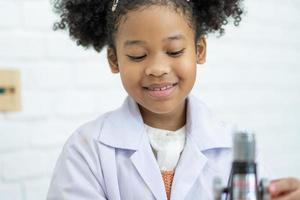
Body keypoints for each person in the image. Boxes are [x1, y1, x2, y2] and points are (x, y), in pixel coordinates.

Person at [47, 0, 300, 199]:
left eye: (175, 51)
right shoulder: (87, 149)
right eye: (137, 55)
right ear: (114, 60)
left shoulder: (235, 149)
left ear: (199, 50)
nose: (157, 68)